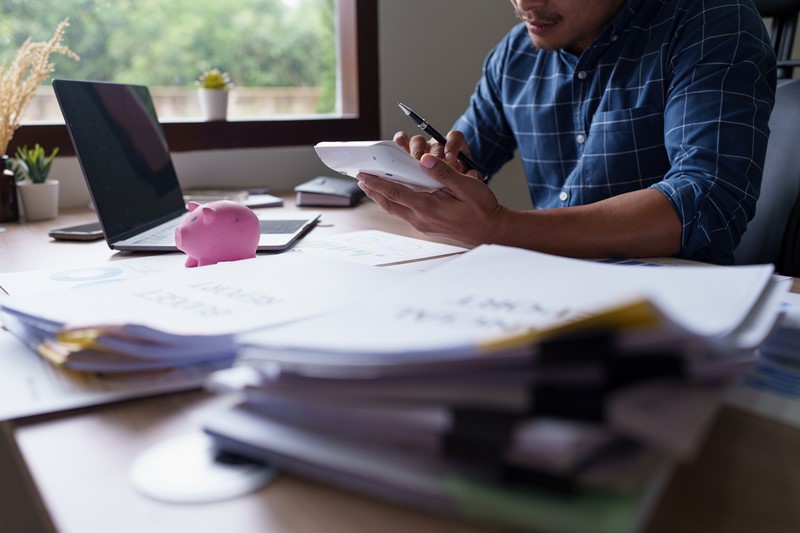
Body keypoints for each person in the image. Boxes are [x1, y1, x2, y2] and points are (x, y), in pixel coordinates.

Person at [357, 0, 777, 264]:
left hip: (676, 298)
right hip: (550, 285)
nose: (525, 4)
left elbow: (707, 205)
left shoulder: (710, 19)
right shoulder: (514, 54)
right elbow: (465, 159)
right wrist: (433, 176)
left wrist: (503, 228)